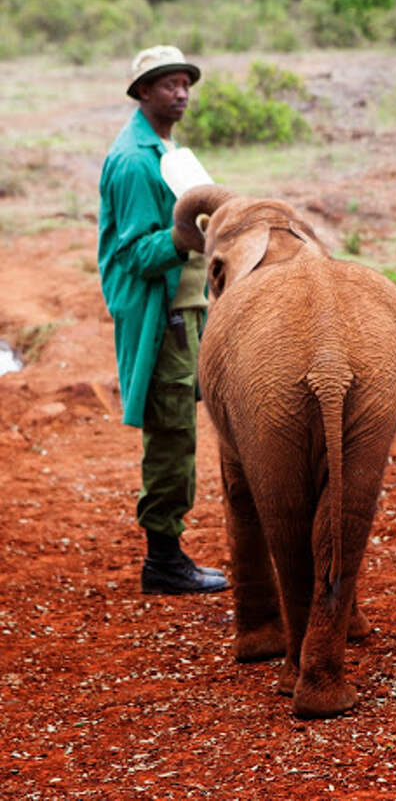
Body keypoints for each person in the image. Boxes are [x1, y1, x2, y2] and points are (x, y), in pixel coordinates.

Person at [98, 45, 228, 595]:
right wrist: (181, 236)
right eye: (167, 84)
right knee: (171, 433)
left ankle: (168, 552)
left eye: (184, 83)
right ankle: (164, 560)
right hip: (162, 316)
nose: (180, 93)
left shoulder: (166, 148)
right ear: (142, 91)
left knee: (181, 426)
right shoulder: (133, 160)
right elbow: (132, 256)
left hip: (186, 307)